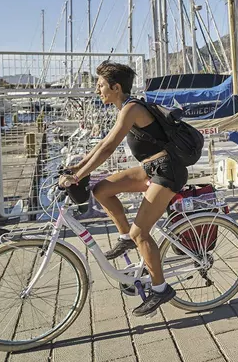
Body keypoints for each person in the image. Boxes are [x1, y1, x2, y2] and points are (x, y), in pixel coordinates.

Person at [58, 61, 185, 317]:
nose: (98, 90)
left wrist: (80, 175)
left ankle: (160, 289)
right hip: (152, 168)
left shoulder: (132, 109)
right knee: (102, 190)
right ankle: (126, 238)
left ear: (116, 87)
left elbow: (108, 149)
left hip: (168, 171)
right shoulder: (125, 108)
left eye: (101, 85)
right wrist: (76, 169)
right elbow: (103, 142)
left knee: (143, 234)